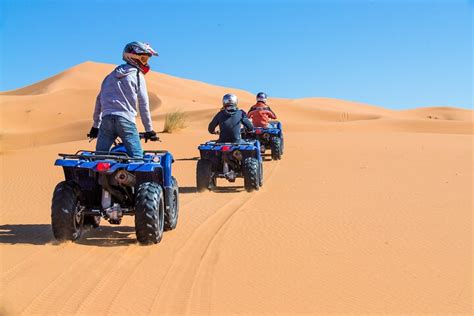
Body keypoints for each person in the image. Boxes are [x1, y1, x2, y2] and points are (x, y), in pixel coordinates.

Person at [88, 41, 158, 158]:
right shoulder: (136, 75)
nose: (146, 63)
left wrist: (95, 126)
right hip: (125, 121)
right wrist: (149, 130)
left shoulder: (109, 77)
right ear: (134, 58)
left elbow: (99, 101)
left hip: (106, 121)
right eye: (144, 59)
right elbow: (143, 104)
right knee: (137, 160)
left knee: (99, 159)